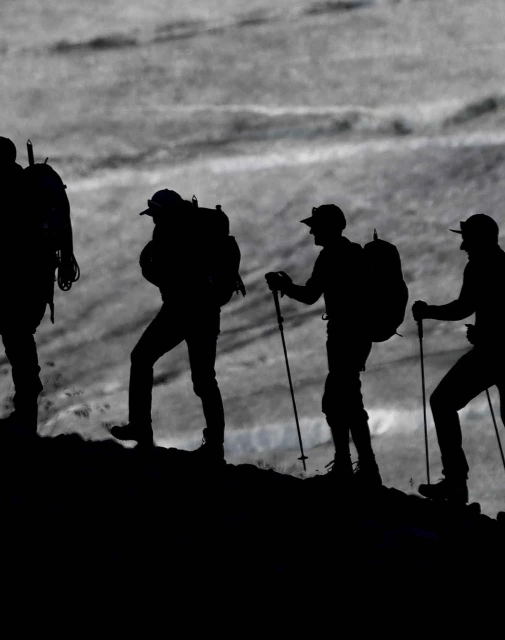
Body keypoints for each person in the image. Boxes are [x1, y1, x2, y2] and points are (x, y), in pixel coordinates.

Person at [411, 214, 505, 522]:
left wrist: (429, 311)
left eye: (466, 238)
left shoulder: (480, 266)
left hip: (494, 356)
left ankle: (456, 485)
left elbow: (464, 308)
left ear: (479, 239)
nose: (462, 245)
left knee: (442, 402)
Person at [109, 188, 237, 455]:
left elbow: (168, 278)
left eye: (155, 214)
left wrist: (147, 268)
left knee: (142, 358)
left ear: (165, 212)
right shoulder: (203, 227)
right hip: (206, 311)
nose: (153, 220)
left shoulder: (169, 233)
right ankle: (215, 444)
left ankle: (141, 427)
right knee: (204, 379)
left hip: (180, 310)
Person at [0, 137, 76, 429]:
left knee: (16, 336)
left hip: (16, 279)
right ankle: (26, 409)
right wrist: (65, 261)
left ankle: (25, 413)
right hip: (39, 277)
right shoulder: (33, 188)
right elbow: (61, 224)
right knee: (19, 335)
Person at [265, 203, 380, 485]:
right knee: (346, 398)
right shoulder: (354, 252)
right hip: (358, 334)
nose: (311, 231)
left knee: (340, 401)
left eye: (315, 226)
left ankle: (358, 468)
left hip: (343, 334)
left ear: (328, 227)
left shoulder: (330, 256)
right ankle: (359, 466)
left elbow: (309, 296)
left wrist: (284, 286)